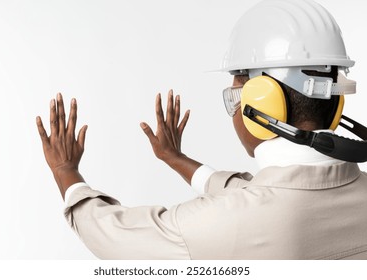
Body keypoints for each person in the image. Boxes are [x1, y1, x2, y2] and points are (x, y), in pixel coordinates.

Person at [36, 0, 367, 259]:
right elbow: (249, 192)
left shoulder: (216, 226)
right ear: (334, 102)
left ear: (262, 104)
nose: (234, 110)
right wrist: (175, 158)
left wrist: (66, 173)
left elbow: (113, 235)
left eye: (235, 94)